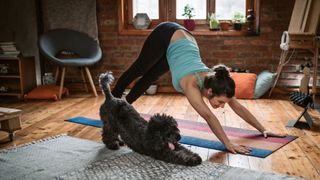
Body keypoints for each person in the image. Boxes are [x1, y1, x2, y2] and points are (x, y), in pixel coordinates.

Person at [111, 22, 285, 154]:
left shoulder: (218, 83)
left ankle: (124, 103)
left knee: (150, 77)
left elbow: (238, 107)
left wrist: (263, 129)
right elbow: (209, 116)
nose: (223, 106)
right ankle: (111, 101)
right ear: (209, 92)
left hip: (183, 42)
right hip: (168, 34)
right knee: (140, 70)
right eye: (221, 102)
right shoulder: (191, 85)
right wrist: (228, 144)